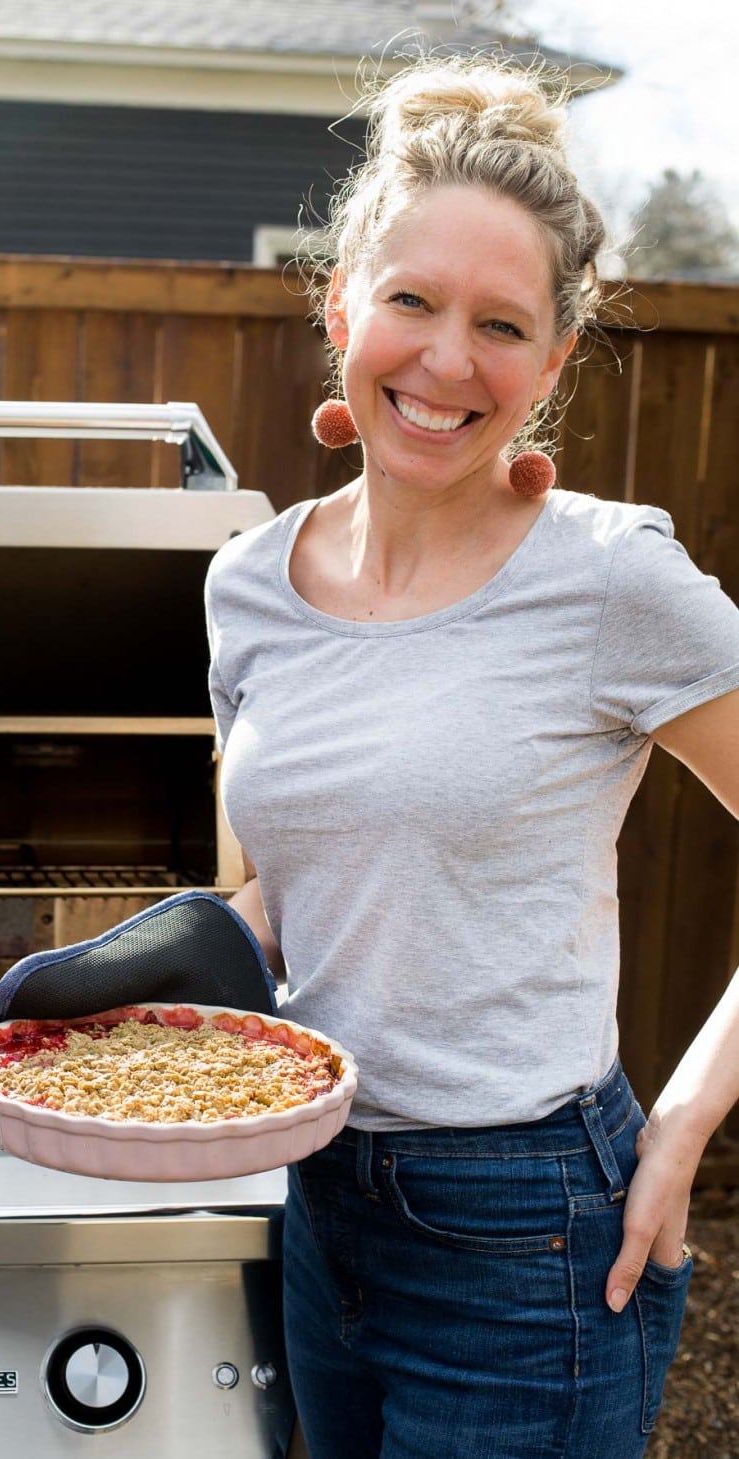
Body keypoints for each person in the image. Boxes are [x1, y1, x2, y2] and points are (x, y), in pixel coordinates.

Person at [204, 56, 739, 1459]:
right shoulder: (249, 583)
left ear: (556, 361)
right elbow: (274, 896)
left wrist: (681, 1127)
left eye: (501, 324)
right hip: (318, 1200)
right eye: (411, 303)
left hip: (532, 1233)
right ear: (342, 310)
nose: (447, 362)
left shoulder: (615, 582)